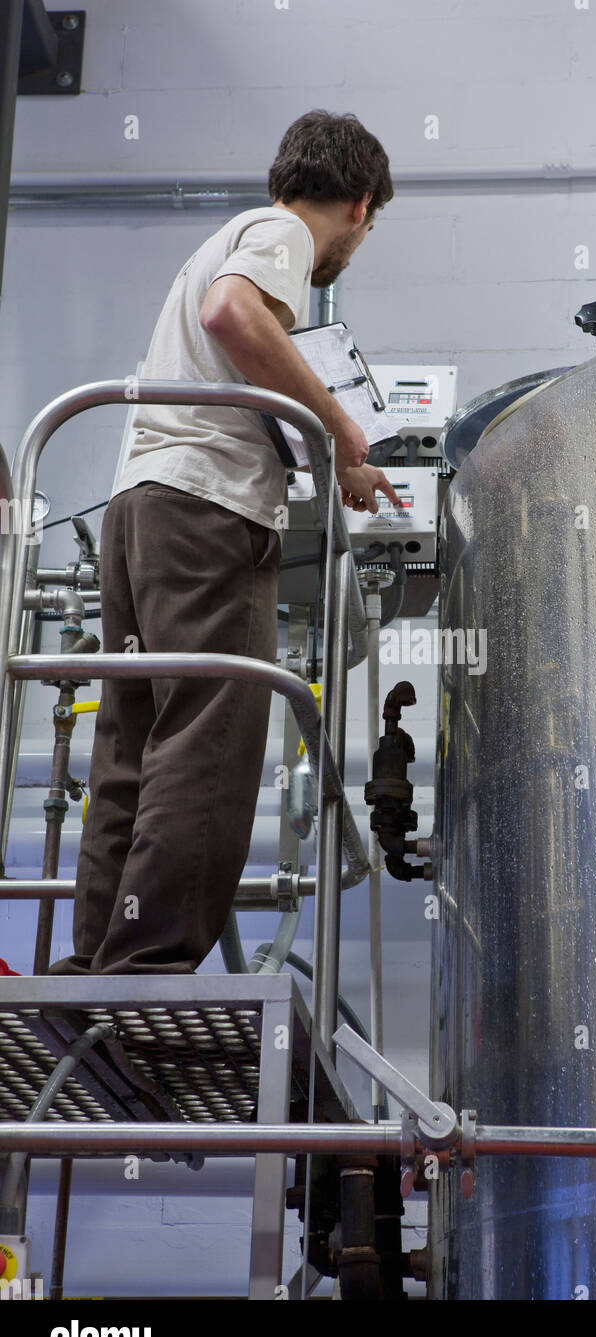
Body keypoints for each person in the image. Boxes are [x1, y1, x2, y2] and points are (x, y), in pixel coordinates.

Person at [48, 110, 399, 975]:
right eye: (368, 225)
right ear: (358, 206)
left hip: (140, 505)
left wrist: (320, 453)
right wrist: (343, 432)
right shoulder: (279, 232)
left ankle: (94, 972)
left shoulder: (222, 237)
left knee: (133, 744)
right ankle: (150, 972)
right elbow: (232, 314)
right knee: (211, 736)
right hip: (206, 515)